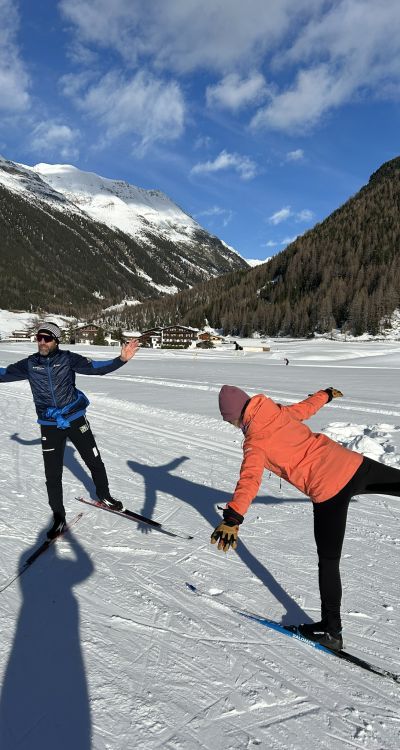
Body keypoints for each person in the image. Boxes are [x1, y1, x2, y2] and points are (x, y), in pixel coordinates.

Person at [211, 384, 400, 651]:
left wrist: (232, 518)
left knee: (329, 562)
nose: (233, 426)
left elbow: (249, 480)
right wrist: (325, 395)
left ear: (236, 416)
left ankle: (332, 632)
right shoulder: (276, 412)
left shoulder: (255, 442)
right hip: (355, 465)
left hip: (329, 491)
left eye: (231, 421)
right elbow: (305, 409)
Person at [0, 322, 139, 538]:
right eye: (39, 338)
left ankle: (105, 495)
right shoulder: (29, 364)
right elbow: (4, 374)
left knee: (94, 460)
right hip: (49, 424)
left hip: (75, 419)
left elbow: (96, 368)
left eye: (47, 338)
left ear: (56, 340)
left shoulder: (67, 359)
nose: (42, 342)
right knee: (52, 474)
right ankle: (58, 517)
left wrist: (121, 360)